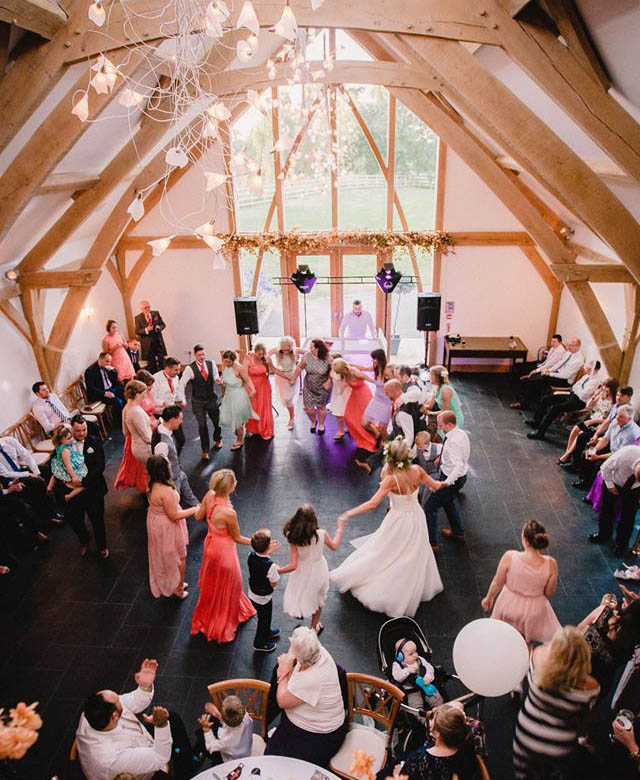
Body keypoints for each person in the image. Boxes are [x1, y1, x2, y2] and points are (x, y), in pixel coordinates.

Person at [331, 437, 443, 617]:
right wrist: (447, 481)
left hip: (398, 521)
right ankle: (410, 586)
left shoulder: (391, 479)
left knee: (386, 551)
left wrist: (348, 514)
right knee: (414, 553)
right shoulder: (417, 470)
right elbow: (435, 486)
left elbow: (372, 504)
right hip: (416, 518)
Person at [75, 657, 197, 780]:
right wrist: (161, 726)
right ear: (115, 716)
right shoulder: (111, 759)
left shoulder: (93, 712)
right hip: (138, 775)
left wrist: (145, 687)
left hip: (139, 744)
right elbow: (160, 757)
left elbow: (134, 701)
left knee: (173, 719)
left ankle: (188, 768)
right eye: (118, 700)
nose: (120, 698)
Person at [513, 626, 600, 780]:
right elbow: (590, 720)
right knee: (551, 774)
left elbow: (541, 649)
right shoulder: (590, 686)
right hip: (559, 744)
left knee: (523, 773)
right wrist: (589, 739)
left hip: (526, 735)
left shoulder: (537, 658)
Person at [264, 626, 348, 767]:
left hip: (319, 735)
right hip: (306, 722)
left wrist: (283, 673)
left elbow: (282, 701)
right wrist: (290, 657)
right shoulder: (317, 650)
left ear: (300, 657)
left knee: (277, 763)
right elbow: (294, 646)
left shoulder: (312, 679)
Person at [191, 469, 256, 643]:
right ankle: (223, 619)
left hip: (210, 548)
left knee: (213, 584)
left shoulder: (209, 496)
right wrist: (256, 542)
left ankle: (211, 613)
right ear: (231, 487)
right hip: (225, 553)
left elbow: (198, 516)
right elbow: (236, 538)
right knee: (232, 584)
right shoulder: (229, 513)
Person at [481, 520, 561, 645]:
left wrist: (489, 598)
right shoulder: (551, 564)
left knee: (502, 636)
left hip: (508, 605)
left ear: (525, 540)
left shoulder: (510, 557)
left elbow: (497, 582)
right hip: (534, 611)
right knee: (526, 642)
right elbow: (549, 593)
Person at [279, 505, 345, 635]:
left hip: (303, 571)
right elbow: (334, 546)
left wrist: (278, 570)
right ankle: (314, 626)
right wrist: (339, 531)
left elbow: (293, 565)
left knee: (302, 592)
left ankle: (302, 611)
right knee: (318, 598)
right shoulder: (322, 534)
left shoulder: (294, 538)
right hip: (319, 570)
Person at [380, 701, 482, 780]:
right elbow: (459, 707)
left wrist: (397, 774)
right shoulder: (469, 742)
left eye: (433, 722)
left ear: (437, 734)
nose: (430, 723)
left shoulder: (419, 760)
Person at [146, 455, 198, 600]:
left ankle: (174, 582)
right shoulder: (166, 491)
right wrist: (195, 509)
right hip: (167, 526)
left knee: (165, 554)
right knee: (180, 557)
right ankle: (179, 589)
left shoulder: (151, 485)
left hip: (155, 521)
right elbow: (174, 515)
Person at [62, 415, 109, 558]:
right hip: (73, 490)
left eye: (84, 429)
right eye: (78, 431)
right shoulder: (65, 444)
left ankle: (102, 546)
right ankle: (84, 540)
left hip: (92, 488)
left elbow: (100, 466)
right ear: (72, 429)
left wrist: (82, 481)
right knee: (75, 520)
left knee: (97, 519)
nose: (82, 433)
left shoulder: (94, 442)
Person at [356, 379, 425, 474]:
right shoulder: (402, 401)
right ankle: (371, 464)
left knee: (387, 466)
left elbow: (409, 437)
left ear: (394, 392)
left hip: (402, 443)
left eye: (387, 393)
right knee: (385, 446)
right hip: (397, 434)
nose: (387, 396)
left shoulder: (403, 413)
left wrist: (400, 454)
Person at [578, 594, 640, 698]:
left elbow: (578, 628)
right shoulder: (634, 642)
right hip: (600, 682)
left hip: (576, 664)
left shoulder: (604, 612)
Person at [423, 411, 470, 548]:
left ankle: (432, 543)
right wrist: (443, 458)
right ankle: (458, 531)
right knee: (448, 502)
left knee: (429, 507)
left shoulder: (453, 442)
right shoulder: (460, 434)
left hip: (451, 479)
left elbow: (458, 464)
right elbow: (459, 457)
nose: (439, 429)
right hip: (459, 476)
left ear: (449, 424)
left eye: (441, 426)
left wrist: (446, 482)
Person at [525, 360, 602, 441]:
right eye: (587, 368)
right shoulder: (587, 376)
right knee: (546, 399)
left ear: (596, 369)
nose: (587, 370)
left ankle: (540, 433)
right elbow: (575, 386)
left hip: (579, 402)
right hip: (572, 396)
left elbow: (584, 394)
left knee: (555, 409)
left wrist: (578, 389)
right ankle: (536, 422)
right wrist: (579, 389)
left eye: (589, 369)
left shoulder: (595, 381)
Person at [566, 384, 633, 473]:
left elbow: (616, 433)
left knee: (583, 438)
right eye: (618, 395)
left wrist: (599, 438)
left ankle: (579, 468)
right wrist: (596, 434)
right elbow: (607, 421)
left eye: (622, 396)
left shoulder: (628, 411)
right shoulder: (616, 406)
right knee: (581, 434)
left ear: (629, 397)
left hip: (612, 440)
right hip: (605, 433)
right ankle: (574, 464)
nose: (618, 398)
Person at [588, 444, 640, 557]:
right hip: (614, 482)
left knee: (628, 517)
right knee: (607, 509)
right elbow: (605, 467)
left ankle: (621, 544)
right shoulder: (626, 454)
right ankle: (603, 535)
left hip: (634, 489)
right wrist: (610, 485)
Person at [574, 404, 640, 492]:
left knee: (598, 465)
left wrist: (597, 457)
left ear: (629, 419)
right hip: (612, 448)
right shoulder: (615, 421)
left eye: (621, 417)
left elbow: (618, 454)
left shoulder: (632, 433)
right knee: (587, 453)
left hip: (620, 456)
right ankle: (584, 480)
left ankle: (592, 490)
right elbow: (606, 438)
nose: (617, 418)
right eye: (617, 415)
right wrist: (595, 450)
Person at [557, 378, 618, 465]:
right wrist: (595, 395)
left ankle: (567, 455)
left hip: (599, 425)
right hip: (592, 419)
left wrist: (593, 421)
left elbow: (608, 420)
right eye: (604, 386)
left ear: (612, 388)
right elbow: (589, 407)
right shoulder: (602, 396)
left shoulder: (614, 404)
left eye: (606, 387)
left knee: (580, 434)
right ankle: (568, 453)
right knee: (575, 429)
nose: (604, 389)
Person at [0, 434, 58, 524]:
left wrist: (36, 473)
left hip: (19, 470)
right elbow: (5, 473)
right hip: (9, 479)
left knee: (46, 470)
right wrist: (28, 474)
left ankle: (56, 503)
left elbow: (26, 455)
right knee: (36, 485)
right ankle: (48, 517)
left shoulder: (9, 441)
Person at [179, 344, 222, 459]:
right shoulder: (189, 369)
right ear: (195, 355)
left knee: (217, 422)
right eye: (199, 355)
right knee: (202, 425)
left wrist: (217, 379)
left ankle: (218, 439)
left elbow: (216, 375)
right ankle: (205, 450)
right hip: (198, 401)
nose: (202, 357)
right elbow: (182, 384)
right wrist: (182, 398)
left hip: (211, 398)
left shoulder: (211, 363)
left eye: (203, 354)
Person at [151, 405, 198, 508]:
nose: (181, 422)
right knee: (173, 504)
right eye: (180, 419)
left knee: (188, 493)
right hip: (172, 479)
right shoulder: (162, 444)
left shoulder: (163, 429)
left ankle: (198, 506)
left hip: (178, 473)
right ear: (172, 419)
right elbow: (160, 468)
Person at [114, 380, 154, 493]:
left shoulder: (126, 408)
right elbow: (146, 437)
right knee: (149, 474)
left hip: (135, 444)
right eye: (143, 393)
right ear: (137, 394)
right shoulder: (135, 411)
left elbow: (125, 432)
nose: (145, 395)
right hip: (143, 447)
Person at [331, 359, 376, 454]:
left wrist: (379, 385)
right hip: (355, 394)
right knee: (348, 415)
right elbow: (342, 388)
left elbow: (369, 379)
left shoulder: (355, 372)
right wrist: (340, 391)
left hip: (363, 394)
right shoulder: (344, 375)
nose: (337, 373)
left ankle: (371, 438)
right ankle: (360, 436)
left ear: (343, 369)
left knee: (362, 417)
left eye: (338, 371)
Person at [248, 528, 282, 653]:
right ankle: (259, 643)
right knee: (264, 619)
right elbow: (273, 584)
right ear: (268, 547)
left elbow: (261, 559)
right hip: (264, 597)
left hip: (253, 593)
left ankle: (267, 632)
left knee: (265, 617)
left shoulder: (250, 556)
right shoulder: (271, 566)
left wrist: (267, 551)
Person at [511, 333, 566, 410]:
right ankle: (520, 394)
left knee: (529, 376)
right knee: (519, 366)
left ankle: (523, 400)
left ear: (559, 342)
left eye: (554, 342)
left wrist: (536, 370)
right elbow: (547, 360)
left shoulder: (560, 352)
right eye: (552, 341)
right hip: (543, 365)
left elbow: (550, 365)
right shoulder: (554, 348)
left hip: (547, 370)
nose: (552, 343)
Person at [391, 638, 444, 712]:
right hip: (412, 690)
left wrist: (428, 677)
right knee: (415, 707)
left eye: (415, 651)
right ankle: (425, 721)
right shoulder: (397, 665)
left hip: (426, 685)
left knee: (437, 698)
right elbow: (397, 677)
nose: (415, 655)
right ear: (400, 656)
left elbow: (430, 668)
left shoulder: (419, 660)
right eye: (411, 654)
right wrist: (407, 670)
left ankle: (440, 713)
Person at [197, 696, 253, 765]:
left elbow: (211, 746)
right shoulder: (247, 717)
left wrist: (206, 729)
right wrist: (217, 714)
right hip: (246, 750)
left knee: (200, 736)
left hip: (234, 760)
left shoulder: (226, 739)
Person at [292, 339, 332, 435]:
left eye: (311, 347)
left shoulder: (327, 357)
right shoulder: (307, 355)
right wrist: (293, 378)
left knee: (321, 407)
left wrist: (329, 381)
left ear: (318, 348)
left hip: (323, 386)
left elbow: (333, 370)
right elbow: (300, 367)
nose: (309, 349)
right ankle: (314, 421)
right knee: (308, 408)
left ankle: (321, 424)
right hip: (309, 385)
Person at [152, 357, 186, 454]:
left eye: (179, 369)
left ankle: (175, 459)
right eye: (176, 370)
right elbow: (153, 399)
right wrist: (163, 403)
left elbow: (177, 392)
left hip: (173, 411)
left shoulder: (176, 377)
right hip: (161, 413)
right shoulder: (155, 379)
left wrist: (181, 400)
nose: (178, 372)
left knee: (181, 439)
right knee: (162, 440)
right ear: (167, 368)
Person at [48, 423, 87, 501]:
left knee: (55, 473)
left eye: (71, 437)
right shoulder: (65, 450)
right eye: (69, 438)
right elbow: (68, 465)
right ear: (61, 440)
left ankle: (49, 486)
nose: (72, 439)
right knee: (84, 485)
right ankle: (69, 496)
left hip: (59, 463)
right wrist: (73, 476)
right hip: (66, 467)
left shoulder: (60, 446)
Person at [244, 343, 275, 440]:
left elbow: (273, 370)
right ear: (255, 351)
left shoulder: (265, 358)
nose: (260, 356)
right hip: (251, 386)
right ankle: (252, 429)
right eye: (258, 354)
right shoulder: (248, 358)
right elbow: (244, 374)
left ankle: (265, 429)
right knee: (253, 407)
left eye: (262, 354)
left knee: (264, 408)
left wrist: (286, 375)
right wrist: (248, 388)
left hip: (264, 387)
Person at [422, 365, 465, 434]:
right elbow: (430, 405)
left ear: (437, 377)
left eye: (431, 375)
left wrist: (429, 413)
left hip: (452, 419)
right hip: (444, 417)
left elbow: (446, 412)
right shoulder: (436, 387)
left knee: (443, 438)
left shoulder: (445, 391)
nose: (429, 377)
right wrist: (421, 407)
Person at [268, 337, 300, 430]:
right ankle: (291, 414)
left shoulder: (296, 351)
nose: (285, 352)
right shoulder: (277, 351)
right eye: (283, 349)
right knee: (285, 399)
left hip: (292, 375)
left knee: (289, 399)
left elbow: (308, 352)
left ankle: (291, 418)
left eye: (287, 349)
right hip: (281, 376)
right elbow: (266, 354)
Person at [361, 348, 393, 439]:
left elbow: (394, 384)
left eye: (374, 358)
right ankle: (376, 435)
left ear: (380, 359)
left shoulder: (387, 371)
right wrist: (348, 365)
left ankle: (387, 447)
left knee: (383, 430)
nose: (373, 360)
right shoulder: (376, 368)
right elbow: (363, 368)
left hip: (385, 403)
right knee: (364, 423)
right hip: (376, 400)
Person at [84, 352, 125, 419]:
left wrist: (113, 371)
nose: (109, 364)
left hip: (110, 388)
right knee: (118, 402)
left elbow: (115, 380)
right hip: (100, 393)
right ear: (100, 359)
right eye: (107, 361)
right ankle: (118, 422)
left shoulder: (107, 367)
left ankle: (125, 416)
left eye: (110, 362)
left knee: (125, 391)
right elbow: (91, 388)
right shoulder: (90, 370)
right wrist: (104, 393)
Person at [134, 299, 167, 374]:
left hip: (158, 342)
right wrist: (146, 330)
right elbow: (137, 331)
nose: (148, 309)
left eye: (149, 307)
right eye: (145, 308)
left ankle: (163, 376)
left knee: (162, 361)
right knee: (152, 364)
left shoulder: (155, 313)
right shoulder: (138, 318)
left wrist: (160, 327)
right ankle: (154, 379)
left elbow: (163, 324)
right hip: (147, 344)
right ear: (141, 309)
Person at [328, 355, 352, 440]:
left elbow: (346, 383)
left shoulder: (344, 372)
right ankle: (342, 430)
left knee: (343, 413)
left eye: (332, 361)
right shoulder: (332, 370)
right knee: (339, 413)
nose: (330, 363)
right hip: (337, 393)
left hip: (344, 394)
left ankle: (346, 429)